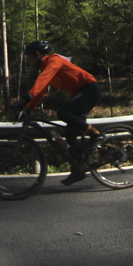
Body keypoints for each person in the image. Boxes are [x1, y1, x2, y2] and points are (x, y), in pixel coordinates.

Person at [21, 40, 101, 186]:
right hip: (80, 93)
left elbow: (42, 79)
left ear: (37, 54)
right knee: (70, 135)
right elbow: (41, 91)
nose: (29, 61)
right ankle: (78, 171)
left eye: (30, 57)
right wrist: (28, 108)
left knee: (63, 113)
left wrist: (29, 95)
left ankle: (96, 134)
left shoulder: (54, 60)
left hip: (89, 89)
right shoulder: (46, 70)